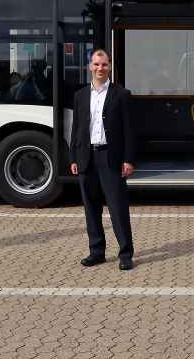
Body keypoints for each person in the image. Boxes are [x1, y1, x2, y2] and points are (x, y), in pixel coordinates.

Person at [69, 49, 137, 270]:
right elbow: (77, 128)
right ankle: (96, 251)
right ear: (89, 66)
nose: (100, 68)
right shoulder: (80, 96)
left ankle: (125, 254)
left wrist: (128, 159)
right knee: (91, 208)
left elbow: (130, 130)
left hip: (111, 158)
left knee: (118, 208)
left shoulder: (121, 94)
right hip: (86, 157)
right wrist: (73, 157)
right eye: (96, 64)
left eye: (104, 65)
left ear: (110, 67)